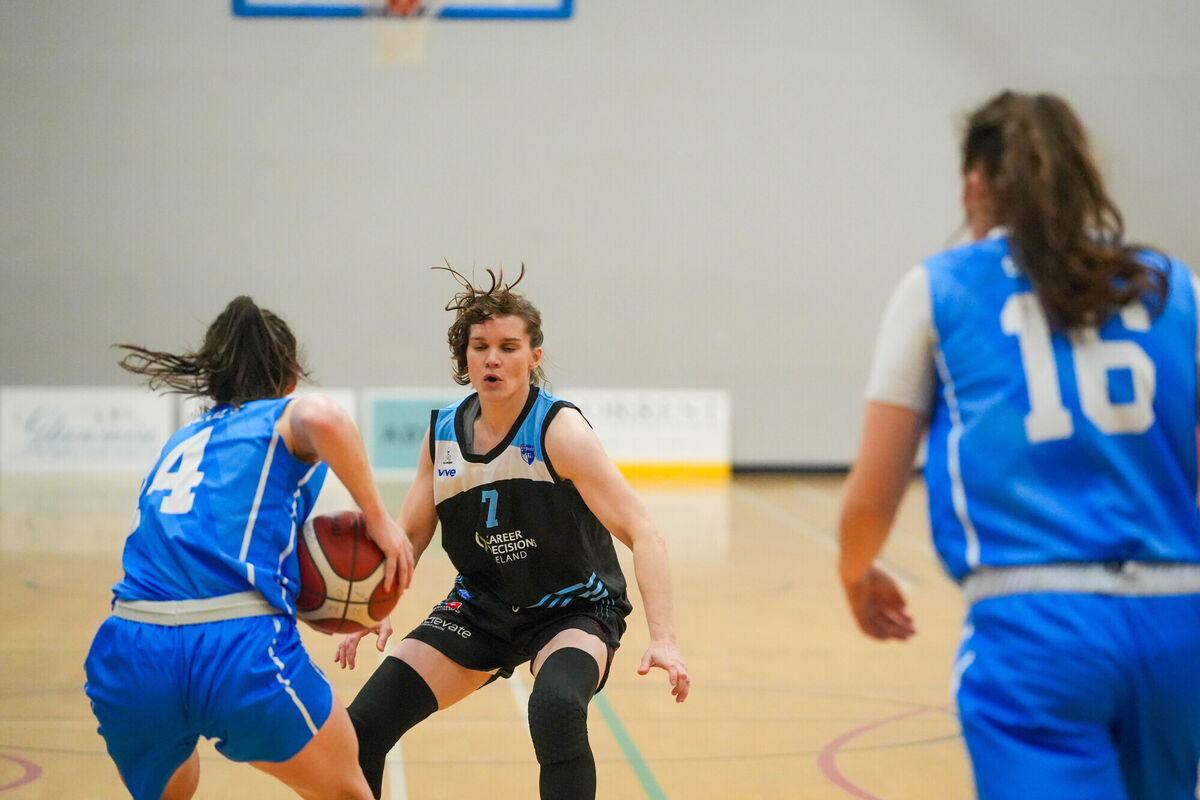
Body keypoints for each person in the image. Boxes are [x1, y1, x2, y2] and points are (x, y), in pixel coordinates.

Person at [837, 90, 1200, 800]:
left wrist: (856, 573)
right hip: (1179, 617)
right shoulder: (1175, 285)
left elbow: (873, 494)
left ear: (976, 183)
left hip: (1038, 625)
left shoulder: (941, 287)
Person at [338, 265, 690, 800]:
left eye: (508, 346)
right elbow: (407, 538)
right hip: (483, 607)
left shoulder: (560, 432)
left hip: (572, 609)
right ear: (466, 357)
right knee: (358, 729)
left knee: (554, 708)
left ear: (534, 357)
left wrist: (663, 637)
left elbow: (644, 532)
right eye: (480, 346)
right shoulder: (442, 436)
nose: (493, 358)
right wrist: (371, 604)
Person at [84, 296, 414, 800]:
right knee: (347, 787)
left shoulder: (184, 439)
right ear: (291, 377)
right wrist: (379, 519)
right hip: (233, 647)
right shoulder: (277, 417)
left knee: (174, 786)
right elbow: (325, 417)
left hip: (130, 646)